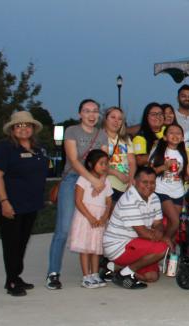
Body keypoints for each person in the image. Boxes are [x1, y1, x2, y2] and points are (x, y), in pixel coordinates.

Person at [48, 99, 109, 290]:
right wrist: (92, 180)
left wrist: (101, 181)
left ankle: (91, 273)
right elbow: (73, 160)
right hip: (74, 179)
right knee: (64, 228)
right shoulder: (72, 131)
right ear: (80, 113)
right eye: (87, 111)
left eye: (95, 111)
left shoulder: (102, 134)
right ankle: (53, 273)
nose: (91, 115)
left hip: (96, 183)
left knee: (94, 228)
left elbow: (105, 162)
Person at [0, 111, 49, 296]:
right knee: (11, 243)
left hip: (31, 204)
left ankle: (16, 276)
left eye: (27, 125)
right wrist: (4, 202)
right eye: (19, 125)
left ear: (33, 128)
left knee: (23, 242)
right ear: (12, 129)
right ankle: (11, 282)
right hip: (12, 204)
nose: (23, 129)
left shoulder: (38, 148)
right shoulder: (5, 148)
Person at [102, 167, 170, 290]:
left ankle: (115, 268)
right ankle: (125, 274)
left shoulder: (154, 197)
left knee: (152, 277)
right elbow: (143, 233)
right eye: (145, 182)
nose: (149, 186)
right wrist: (163, 238)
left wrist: (160, 231)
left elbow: (158, 223)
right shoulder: (130, 200)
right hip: (119, 246)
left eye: (152, 182)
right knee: (162, 248)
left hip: (136, 242)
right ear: (134, 182)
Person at [69, 150, 113, 289]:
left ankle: (95, 274)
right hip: (85, 217)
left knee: (96, 248)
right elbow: (78, 200)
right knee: (85, 247)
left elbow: (109, 201)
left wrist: (104, 217)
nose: (104, 166)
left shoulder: (107, 181)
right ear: (90, 164)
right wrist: (90, 217)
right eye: (101, 163)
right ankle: (86, 276)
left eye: (106, 164)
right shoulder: (83, 179)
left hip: (99, 218)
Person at [149, 124, 189, 244]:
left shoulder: (185, 153)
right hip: (161, 190)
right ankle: (164, 243)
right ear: (164, 137)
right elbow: (149, 172)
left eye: (178, 133)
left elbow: (184, 178)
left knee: (173, 227)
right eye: (171, 132)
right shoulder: (159, 150)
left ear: (183, 137)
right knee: (175, 221)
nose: (175, 135)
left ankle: (169, 258)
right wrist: (165, 166)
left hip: (178, 192)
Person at [103, 106, 137, 202]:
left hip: (125, 186)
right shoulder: (100, 138)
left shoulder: (125, 139)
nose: (116, 121)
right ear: (106, 119)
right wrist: (116, 173)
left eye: (120, 119)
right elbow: (99, 163)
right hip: (108, 184)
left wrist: (130, 180)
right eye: (113, 117)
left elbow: (132, 162)